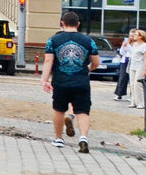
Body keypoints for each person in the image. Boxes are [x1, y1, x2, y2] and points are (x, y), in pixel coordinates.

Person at [41, 11, 99, 153]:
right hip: (81, 82)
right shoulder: (89, 41)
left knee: (59, 110)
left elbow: (49, 60)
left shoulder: (53, 40)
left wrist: (44, 80)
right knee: (83, 112)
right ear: (78, 24)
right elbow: (96, 62)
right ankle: (83, 138)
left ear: (62, 23)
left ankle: (59, 139)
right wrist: (89, 69)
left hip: (60, 82)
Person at [126, 28, 146, 108]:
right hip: (132, 66)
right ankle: (134, 101)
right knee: (132, 84)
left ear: (141, 36)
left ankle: (141, 103)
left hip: (140, 66)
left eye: (136, 34)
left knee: (137, 84)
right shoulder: (134, 44)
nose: (134, 36)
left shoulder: (144, 46)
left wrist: (145, 69)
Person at [113, 34, 132, 100]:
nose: (131, 37)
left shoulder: (136, 44)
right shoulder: (126, 43)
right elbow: (121, 52)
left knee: (132, 79)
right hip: (124, 61)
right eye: (131, 35)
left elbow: (133, 52)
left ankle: (132, 96)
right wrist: (123, 46)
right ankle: (119, 94)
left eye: (133, 35)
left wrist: (128, 46)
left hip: (131, 61)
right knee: (122, 78)